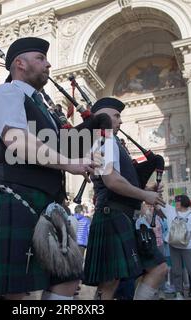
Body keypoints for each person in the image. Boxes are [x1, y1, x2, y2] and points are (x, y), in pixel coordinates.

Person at [0, 37, 98, 300]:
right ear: (19, 64)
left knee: (67, 283)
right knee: (15, 292)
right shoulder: (6, 94)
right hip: (16, 197)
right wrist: (70, 165)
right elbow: (17, 140)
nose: (48, 64)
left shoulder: (44, 108)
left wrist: (93, 136)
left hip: (49, 204)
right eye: (41, 59)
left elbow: (61, 146)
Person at [82, 97, 167, 300]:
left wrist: (146, 189)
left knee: (158, 268)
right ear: (102, 118)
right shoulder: (103, 140)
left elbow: (120, 179)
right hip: (111, 215)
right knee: (110, 283)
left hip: (124, 217)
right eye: (116, 116)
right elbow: (111, 181)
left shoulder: (114, 143)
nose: (121, 121)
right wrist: (145, 195)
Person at [156, 195, 191, 300]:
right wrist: (155, 192)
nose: (176, 204)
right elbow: (160, 202)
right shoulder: (171, 210)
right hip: (173, 245)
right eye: (175, 202)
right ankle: (179, 293)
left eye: (178, 202)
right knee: (176, 271)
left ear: (184, 202)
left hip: (188, 247)